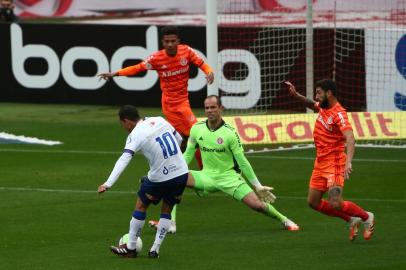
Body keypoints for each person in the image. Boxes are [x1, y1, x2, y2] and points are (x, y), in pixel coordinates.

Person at [98, 25, 214, 233]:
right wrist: (114, 74)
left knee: (193, 137)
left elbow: (202, 63)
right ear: (163, 43)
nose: (170, 44)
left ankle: (198, 177)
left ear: (178, 40)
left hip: (183, 103)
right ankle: (191, 179)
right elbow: (137, 68)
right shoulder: (157, 59)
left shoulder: (186, 52)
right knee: (194, 135)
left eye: (173, 41)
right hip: (170, 106)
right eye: (166, 41)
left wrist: (209, 71)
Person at [182, 95, 300, 231]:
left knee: (258, 205)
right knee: (175, 179)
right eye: (207, 108)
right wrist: (178, 169)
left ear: (221, 108)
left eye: (213, 107)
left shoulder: (230, 133)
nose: (209, 111)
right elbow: (188, 153)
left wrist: (257, 185)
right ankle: (169, 223)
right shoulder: (197, 129)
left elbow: (242, 161)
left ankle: (284, 220)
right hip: (207, 176)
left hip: (230, 178)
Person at [284, 79, 374, 241]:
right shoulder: (324, 107)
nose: (316, 96)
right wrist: (296, 95)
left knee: (336, 203)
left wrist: (349, 162)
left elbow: (350, 138)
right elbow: (312, 105)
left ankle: (366, 217)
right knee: (313, 202)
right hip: (320, 163)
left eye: (319, 93)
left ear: (329, 93)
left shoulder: (339, 114)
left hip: (335, 164)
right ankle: (351, 219)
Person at [97, 105, 191, 258]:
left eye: (122, 124)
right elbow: (179, 139)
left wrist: (108, 183)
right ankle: (155, 250)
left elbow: (125, 158)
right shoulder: (159, 120)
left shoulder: (136, 134)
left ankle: (131, 248)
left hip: (160, 178)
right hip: (181, 173)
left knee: (141, 204)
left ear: (126, 121)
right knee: (167, 210)